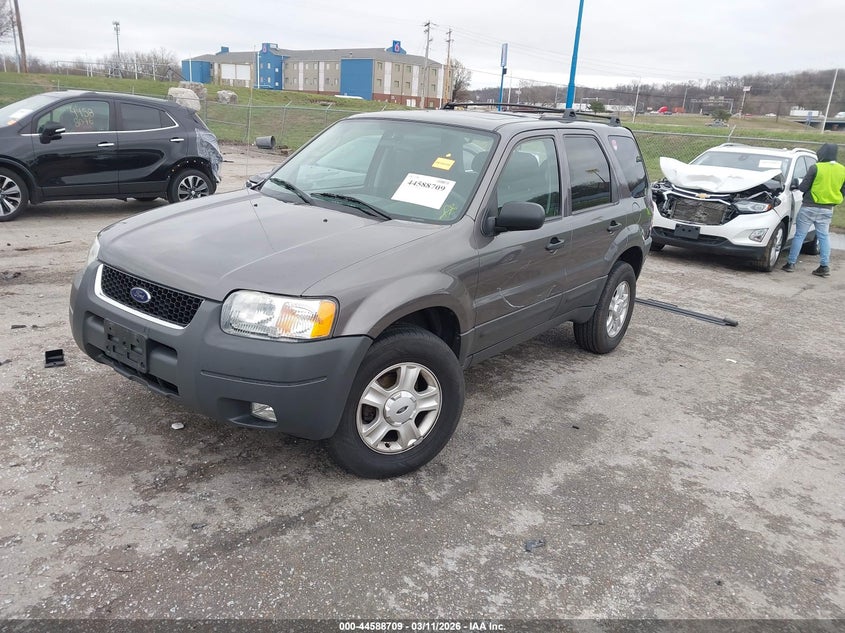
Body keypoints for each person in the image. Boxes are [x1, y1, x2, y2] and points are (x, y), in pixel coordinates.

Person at [782, 143, 845, 277]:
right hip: (828, 208)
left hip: (809, 206)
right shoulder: (842, 170)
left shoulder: (815, 167)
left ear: (822, 153)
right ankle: (824, 266)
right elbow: (843, 191)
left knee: (800, 235)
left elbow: (803, 187)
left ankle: (791, 264)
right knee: (824, 236)